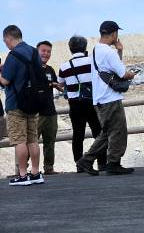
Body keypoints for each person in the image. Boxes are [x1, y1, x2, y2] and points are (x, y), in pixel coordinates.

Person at [76, 21, 138, 175]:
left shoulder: (96, 50)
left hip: (99, 98)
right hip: (110, 98)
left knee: (108, 132)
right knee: (118, 131)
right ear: (113, 34)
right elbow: (122, 73)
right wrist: (132, 74)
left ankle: (87, 161)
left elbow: (112, 69)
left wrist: (119, 51)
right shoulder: (109, 53)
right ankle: (113, 163)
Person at [0, 25, 44, 185]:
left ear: (9, 38)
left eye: (5, 41)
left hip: (16, 104)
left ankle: (23, 175)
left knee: (19, 140)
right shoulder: (34, 52)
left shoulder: (13, 56)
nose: (6, 44)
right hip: (33, 102)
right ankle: (35, 172)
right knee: (32, 139)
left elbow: (5, 81)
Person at [58, 36, 106, 172]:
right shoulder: (92, 61)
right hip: (92, 102)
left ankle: (79, 165)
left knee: (77, 136)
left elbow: (61, 82)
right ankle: (102, 163)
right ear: (85, 47)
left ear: (70, 48)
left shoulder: (64, 66)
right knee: (99, 133)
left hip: (74, 105)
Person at [36, 41, 64, 175]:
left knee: (50, 142)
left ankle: (49, 168)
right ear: (37, 51)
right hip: (35, 113)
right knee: (31, 142)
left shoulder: (51, 69)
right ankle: (23, 171)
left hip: (50, 111)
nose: (46, 54)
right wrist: (52, 84)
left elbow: (57, 85)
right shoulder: (32, 68)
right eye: (43, 50)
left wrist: (56, 85)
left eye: (48, 51)